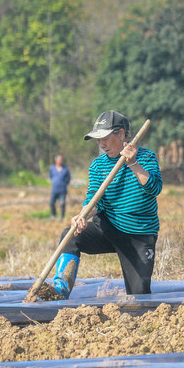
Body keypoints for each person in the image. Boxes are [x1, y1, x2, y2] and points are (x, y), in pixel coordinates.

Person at [49, 110, 162, 299]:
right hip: (108, 228)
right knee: (70, 236)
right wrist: (83, 215)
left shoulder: (146, 157)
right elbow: (95, 199)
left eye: (105, 138)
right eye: (97, 139)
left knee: (139, 296)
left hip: (139, 234)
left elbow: (154, 188)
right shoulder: (98, 165)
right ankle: (60, 290)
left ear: (121, 134)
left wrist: (133, 163)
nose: (101, 144)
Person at [48, 154, 71, 219]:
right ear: (56, 160)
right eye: (60, 159)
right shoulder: (52, 168)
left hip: (62, 190)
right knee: (51, 203)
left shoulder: (66, 169)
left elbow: (68, 179)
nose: (61, 161)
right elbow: (51, 177)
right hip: (54, 189)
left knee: (62, 204)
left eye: (62, 160)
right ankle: (53, 215)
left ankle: (61, 217)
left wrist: (64, 184)